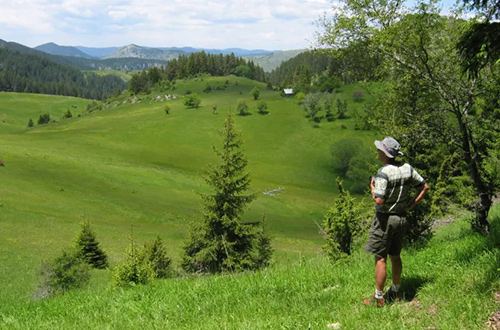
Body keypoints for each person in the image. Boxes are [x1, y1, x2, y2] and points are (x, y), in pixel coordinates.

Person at [363, 137, 429, 307]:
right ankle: (396, 291)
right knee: (395, 255)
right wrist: (411, 205)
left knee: (380, 258)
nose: (377, 152)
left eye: (379, 150)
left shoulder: (383, 173)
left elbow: (379, 201)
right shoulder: (407, 168)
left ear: (385, 154)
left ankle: (378, 297)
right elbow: (424, 186)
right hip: (401, 217)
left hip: (385, 219)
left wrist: (372, 188)